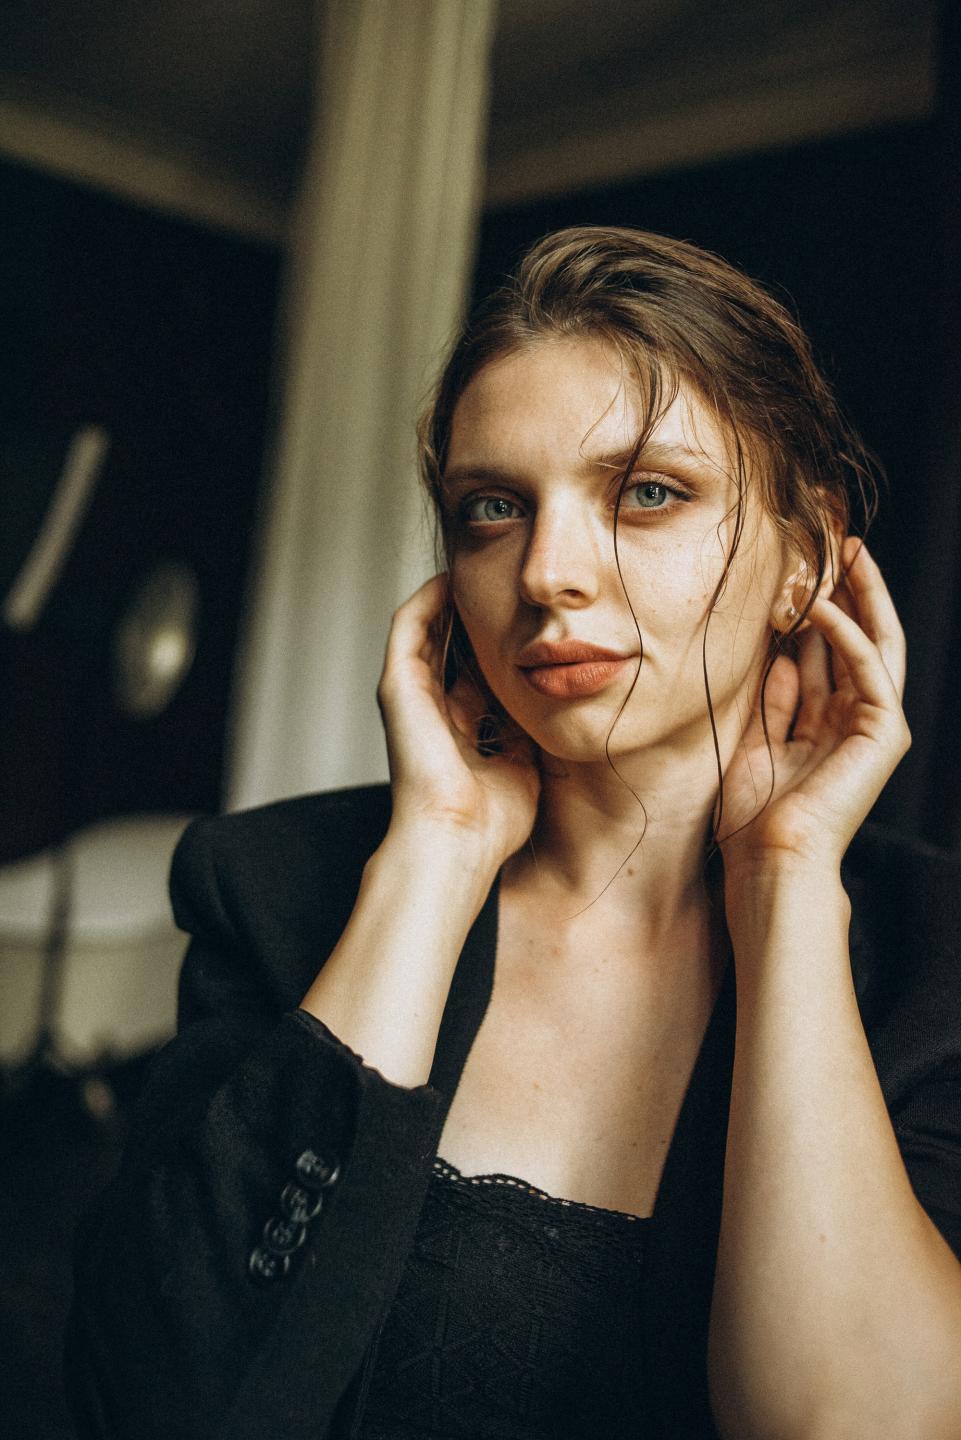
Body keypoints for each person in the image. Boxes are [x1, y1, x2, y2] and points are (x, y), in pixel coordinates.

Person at [65, 228, 961, 1440]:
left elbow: (847, 1423)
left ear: (802, 556)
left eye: (646, 493)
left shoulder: (933, 962)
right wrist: (433, 856)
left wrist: (785, 881)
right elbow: (162, 1404)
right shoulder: (271, 887)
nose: (546, 574)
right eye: (491, 509)